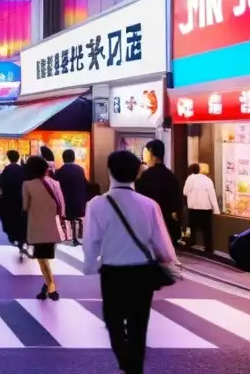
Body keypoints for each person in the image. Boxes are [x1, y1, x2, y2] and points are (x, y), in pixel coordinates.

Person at [83, 150, 177, 374]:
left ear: (109, 171)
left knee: (113, 322)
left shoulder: (96, 205)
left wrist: (89, 266)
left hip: (112, 272)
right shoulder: (149, 205)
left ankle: (126, 363)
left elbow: (91, 241)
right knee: (138, 324)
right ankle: (135, 367)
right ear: (137, 173)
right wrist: (169, 262)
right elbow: (161, 242)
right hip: (141, 273)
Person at [23, 154, 65, 300]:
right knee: (45, 256)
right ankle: (45, 287)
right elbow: (61, 204)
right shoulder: (55, 183)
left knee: (42, 258)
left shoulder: (28, 185)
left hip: (38, 226)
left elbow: (25, 206)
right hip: (53, 225)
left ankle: (52, 287)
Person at [135, 139, 183, 245]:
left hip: (148, 227)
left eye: (145, 151)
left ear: (151, 152)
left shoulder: (144, 178)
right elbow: (177, 202)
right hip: (167, 226)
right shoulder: (171, 176)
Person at [54, 148, 88, 246]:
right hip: (78, 199)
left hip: (66, 200)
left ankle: (65, 236)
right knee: (75, 219)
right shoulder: (80, 170)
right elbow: (85, 183)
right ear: (73, 158)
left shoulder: (59, 171)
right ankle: (75, 237)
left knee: (66, 218)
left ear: (63, 158)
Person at [183, 162, 219, 253]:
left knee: (189, 228)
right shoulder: (207, 180)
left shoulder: (189, 179)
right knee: (207, 231)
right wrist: (216, 210)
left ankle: (187, 244)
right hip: (205, 209)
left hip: (192, 209)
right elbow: (212, 196)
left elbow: (185, 192)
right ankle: (209, 249)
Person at [0, 150, 27, 255]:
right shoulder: (22, 169)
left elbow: (1, 184)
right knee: (21, 220)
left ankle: (13, 236)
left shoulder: (7, 170)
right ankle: (22, 239)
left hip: (9, 199)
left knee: (9, 219)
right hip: (21, 199)